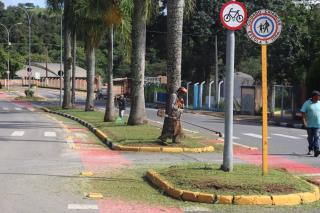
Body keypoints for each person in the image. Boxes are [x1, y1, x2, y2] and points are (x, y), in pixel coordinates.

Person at [301, 90, 320, 157]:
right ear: (314, 96)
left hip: (318, 124)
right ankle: (311, 148)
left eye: (319, 96)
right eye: (317, 96)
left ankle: (316, 150)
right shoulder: (307, 103)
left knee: (317, 137)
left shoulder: (319, 103)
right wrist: (304, 122)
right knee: (310, 138)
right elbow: (303, 112)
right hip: (309, 124)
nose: (319, 98)